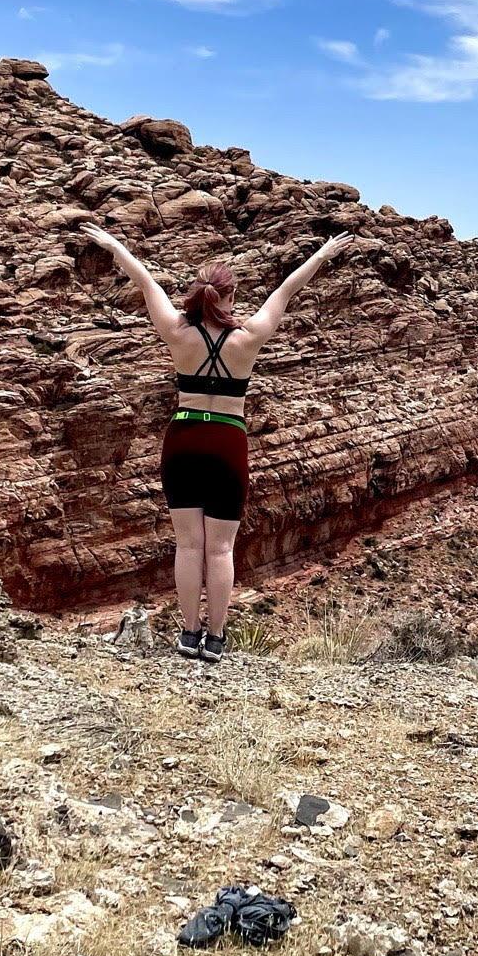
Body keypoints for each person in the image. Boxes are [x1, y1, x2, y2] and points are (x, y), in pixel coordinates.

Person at [82, 224, 355, 659]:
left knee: (189, 545)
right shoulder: (247, 338)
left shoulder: (178, 333)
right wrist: (322, 254)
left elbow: (146, 281)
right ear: (228, 298)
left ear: (197, 294)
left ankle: (189, 634)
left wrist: (115, 246)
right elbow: (285, 290)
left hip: (185, 437)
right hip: (227, 440)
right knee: (221, 547)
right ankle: (216, 639)